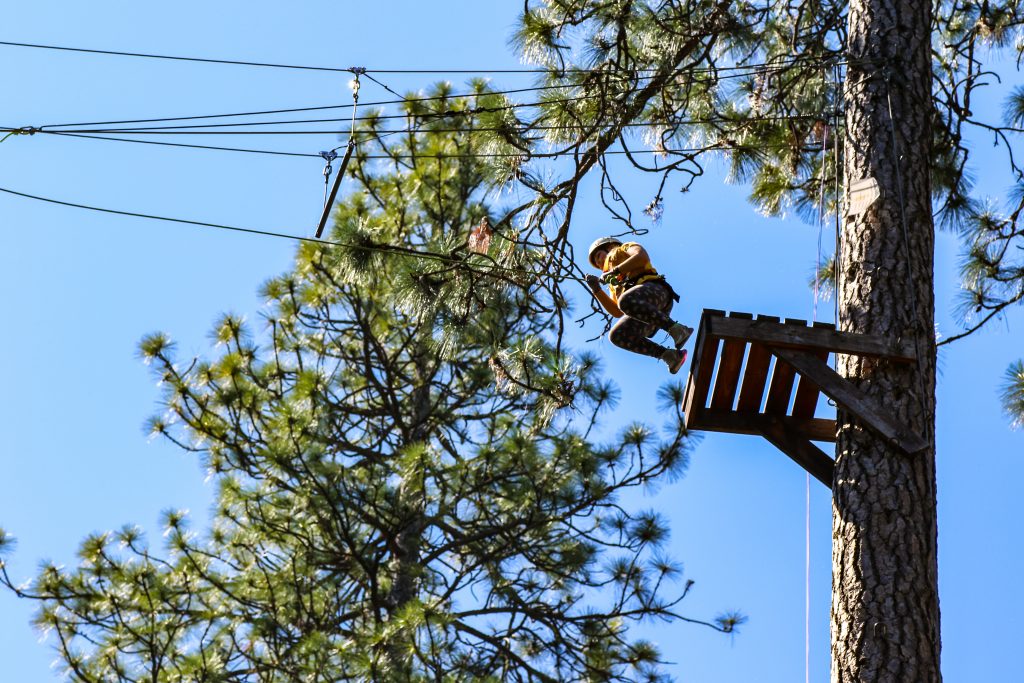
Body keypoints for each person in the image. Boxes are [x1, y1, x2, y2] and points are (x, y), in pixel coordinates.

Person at [584, 236, 693, 374]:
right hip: (644, 313)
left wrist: (616, 271)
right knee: (616, 335)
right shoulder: (613, 283)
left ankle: (677, 329)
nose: (599, 262)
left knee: (625, 300)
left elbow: (641, 257)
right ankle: (669, 356)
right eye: (597, 263)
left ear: (610, 246)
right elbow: (617, 312)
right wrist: (597, 290)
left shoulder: (623, 249)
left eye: (599, 256)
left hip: (656, 291)